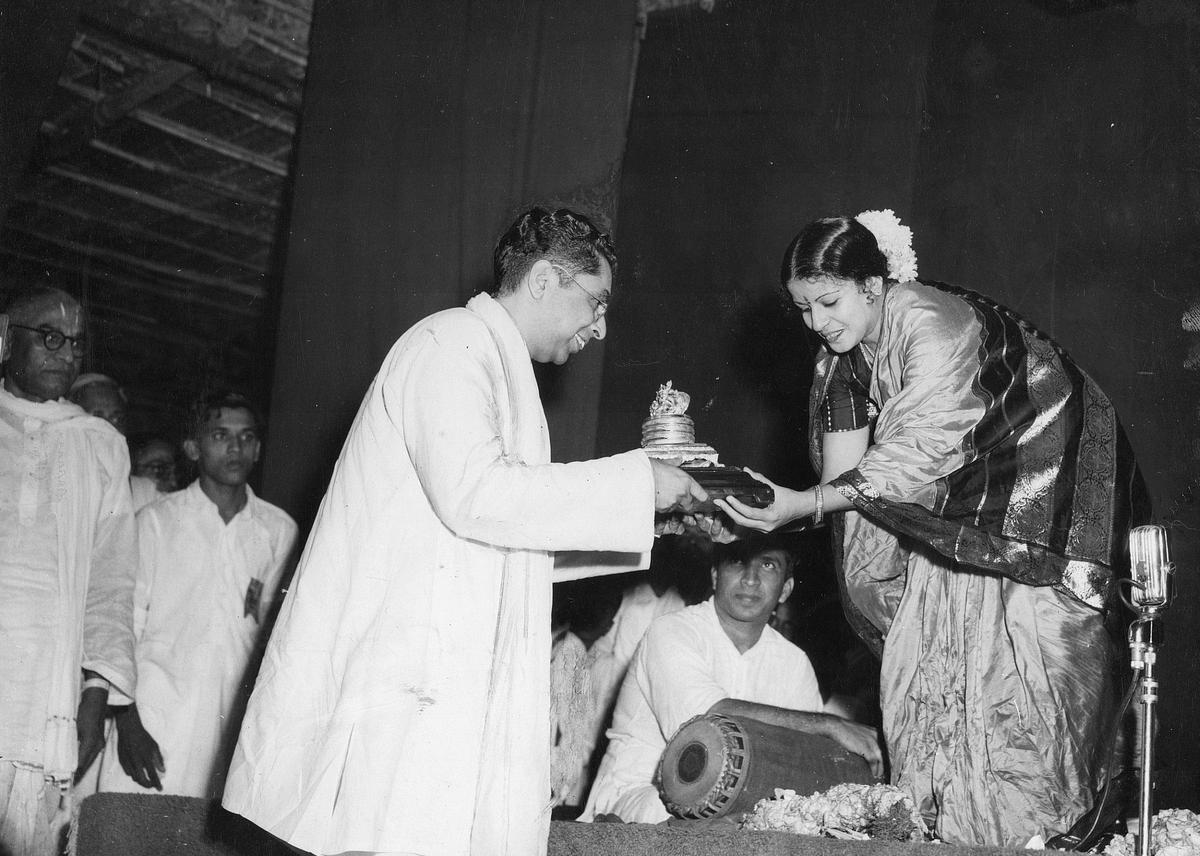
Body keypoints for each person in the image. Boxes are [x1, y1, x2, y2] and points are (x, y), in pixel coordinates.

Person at [221, 207, 706, 856]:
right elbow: (479, 494)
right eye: (595, 301)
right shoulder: (448, 344)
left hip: (444, 686)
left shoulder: (502, 372)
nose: (601, 326)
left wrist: (654, 515)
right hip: (403, 684)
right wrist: (639, 482)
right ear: (541, 281)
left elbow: (510, 543)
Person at [717, 211, 1145, 847]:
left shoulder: (929, 322)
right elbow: (841, 485)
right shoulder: (839, 361)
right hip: (946, 521)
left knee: (1024, 682)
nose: (818, 323)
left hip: (1040, 505)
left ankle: (1035, 835)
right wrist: (763, 504)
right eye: (804, 308)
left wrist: (803, 503)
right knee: (925, 661)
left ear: (873, 285)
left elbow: (912, 454)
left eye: (829, 301)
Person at [579, 533, 883, 824]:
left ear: (787, 588)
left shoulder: (793, 662)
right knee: (695, 824)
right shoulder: (672, 631)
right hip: (639, 798)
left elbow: (803, 759)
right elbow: (702, 727)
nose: (750, 579)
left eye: (767, 565)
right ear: (714, 576)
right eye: (737, 562)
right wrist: (830, 724)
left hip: (741, 808)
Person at [96, 391, 297, 798]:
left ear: (258, 448)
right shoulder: (155, 522)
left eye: (246, 437)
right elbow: (123, 624)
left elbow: (271, 641)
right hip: (153, 717)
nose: (235, 447)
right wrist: (127, 721)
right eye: (221, 435)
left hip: (227, 728)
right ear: (193, 447)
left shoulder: (278, 531)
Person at [0, 285, 136, 856]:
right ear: (5, 337)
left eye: (76, 344)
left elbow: (111, 585)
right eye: (50, 337)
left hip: (42, 697)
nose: (64, 353)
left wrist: (95, 695)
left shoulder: (100, 446)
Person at [69, 373, 161, 510]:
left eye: (117, 419)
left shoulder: (145, 493)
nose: (110, 428)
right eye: (97, 418)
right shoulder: (56, 485)